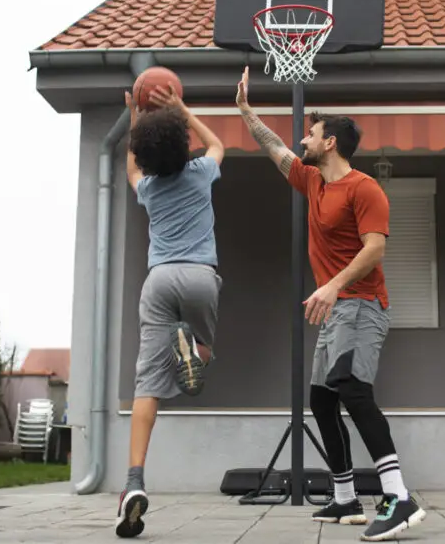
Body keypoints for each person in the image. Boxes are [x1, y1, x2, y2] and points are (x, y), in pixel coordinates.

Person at [234, 66, 426, 542]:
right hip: (338, 308)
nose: (303, 139)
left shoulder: (364, 189)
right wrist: (245, 112)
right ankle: (345, 499)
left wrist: (332, 285)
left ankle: (399, 497)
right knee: (322, 399)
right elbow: (276, 151)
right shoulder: (313, 181)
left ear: (331, 143)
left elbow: (375, 248)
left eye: (312, 133)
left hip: (362, 305)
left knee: (351, 388)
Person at [114, 84, 226, 539]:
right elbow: (218, 144)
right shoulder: (200, 173)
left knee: (146, 384)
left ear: (147, 155)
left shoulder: (150, 192)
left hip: (158, 281)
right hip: (200, 277)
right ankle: (194, 355)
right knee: (205, 348)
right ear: (183, 147)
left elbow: (130, 170)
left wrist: (134, 121)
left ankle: (134, 481)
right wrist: (183, 109)